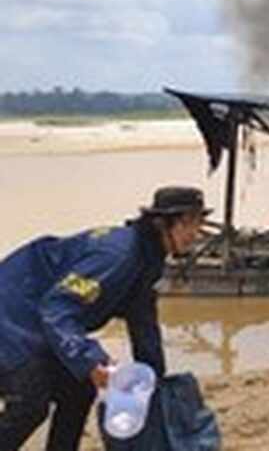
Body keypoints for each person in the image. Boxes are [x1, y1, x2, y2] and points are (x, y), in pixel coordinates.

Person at [0, 186, 209, 451]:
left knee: (79, 390)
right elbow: (58, 307)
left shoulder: (148, 260)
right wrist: (90, 360)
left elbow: (143, 321)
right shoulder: (118, 255)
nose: (195, 234)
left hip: (34, 323)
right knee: (30, 403)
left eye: (198, 223)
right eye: (188, 224)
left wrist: (153, 378)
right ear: (162, 223)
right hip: (11, 319)